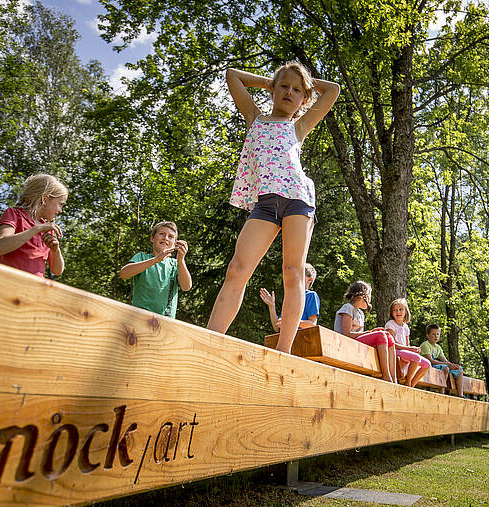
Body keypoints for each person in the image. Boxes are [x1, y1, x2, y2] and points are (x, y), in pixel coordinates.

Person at [206, 62, 340, 354]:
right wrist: (272, 80)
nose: (289, 92)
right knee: (237, 268)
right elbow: (233, 76)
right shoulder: (255, 119)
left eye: (296, 90)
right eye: (284, 87)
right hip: (265, 204)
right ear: (272, 90)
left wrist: (302, 82)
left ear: (304, 98)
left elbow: (332, 90)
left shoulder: (299, 126)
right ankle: (210, 340)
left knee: (292, 271)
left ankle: (284, 350)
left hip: (297, 200)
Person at [0, 174, 67, 278]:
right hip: (9, 285)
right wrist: (37, 229)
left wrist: (55, 250)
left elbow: (57, 271)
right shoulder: (14, 215)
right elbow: (1, 246)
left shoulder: (47, 230)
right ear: (45, 199)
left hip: (35, 289)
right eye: (61, 204)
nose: (60, 211)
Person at [119, 221, 192, 318]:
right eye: (162, 234)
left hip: (165, 323)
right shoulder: (141, 257)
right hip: (139, 318)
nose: (165, 238)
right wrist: (155, 260)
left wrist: (181, 260)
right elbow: (124, 274)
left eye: (170, 236)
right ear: (152, 238)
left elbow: (186, 287)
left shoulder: (176, 264)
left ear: (175, 243)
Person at [333, 281, 396, 383]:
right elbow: (346, 334)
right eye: (370, 295)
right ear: (364, 296)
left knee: (388, 336)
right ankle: (386, 376)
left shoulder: (360, 313)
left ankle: (394, 378)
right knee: (380, 335)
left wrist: (370, 333)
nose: (370, 299)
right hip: (345, 343)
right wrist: (370, 332)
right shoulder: (348, 308)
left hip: (357, 344)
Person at [385, 298, 431, 387]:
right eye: (395, 310)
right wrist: (410, 349)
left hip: (404, 352)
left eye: (400, 309)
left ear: (405, 311)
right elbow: (392, 344)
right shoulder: (390, 324)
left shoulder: (406, 327)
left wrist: (413, 349)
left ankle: (412, 385)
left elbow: (407, 344)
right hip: (395, 351)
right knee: (416, 358)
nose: (398, 312)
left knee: (427, 364)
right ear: (391, 313)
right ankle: (408, 382)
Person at [259, 263, 320, 331]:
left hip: (303, 339)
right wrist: (271, 306)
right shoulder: (289, 298)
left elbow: (312, 324)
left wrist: (292, 323)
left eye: (300, 275)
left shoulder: (311, 295)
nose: (296, 278)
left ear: (310, 280)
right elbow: (277, 327)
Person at [420, 324, 465, 397]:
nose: (436, 336)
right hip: (427, 365)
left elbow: (445, 360)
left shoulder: (438, 347)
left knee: (460, 369)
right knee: (446, 368)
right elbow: (430, 361)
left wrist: (453, 365)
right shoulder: (425, 345)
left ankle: (460, 394)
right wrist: (447, 365)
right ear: (428, 336)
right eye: (433, 334)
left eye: (438, 334)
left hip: (436, 365)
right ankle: (442, 392)